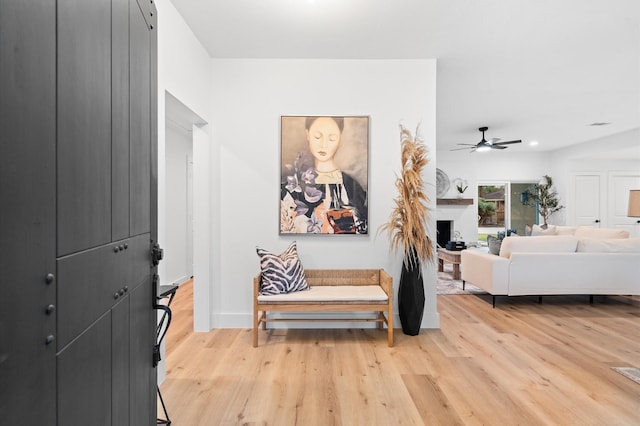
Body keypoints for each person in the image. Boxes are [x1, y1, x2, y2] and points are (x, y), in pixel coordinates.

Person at [281, 116, 368, 234]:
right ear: (307, 134)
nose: (323, 144)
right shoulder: (292, 185)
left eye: (331, 138)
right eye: (317, 137)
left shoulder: (351, 186)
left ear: (340, 138)